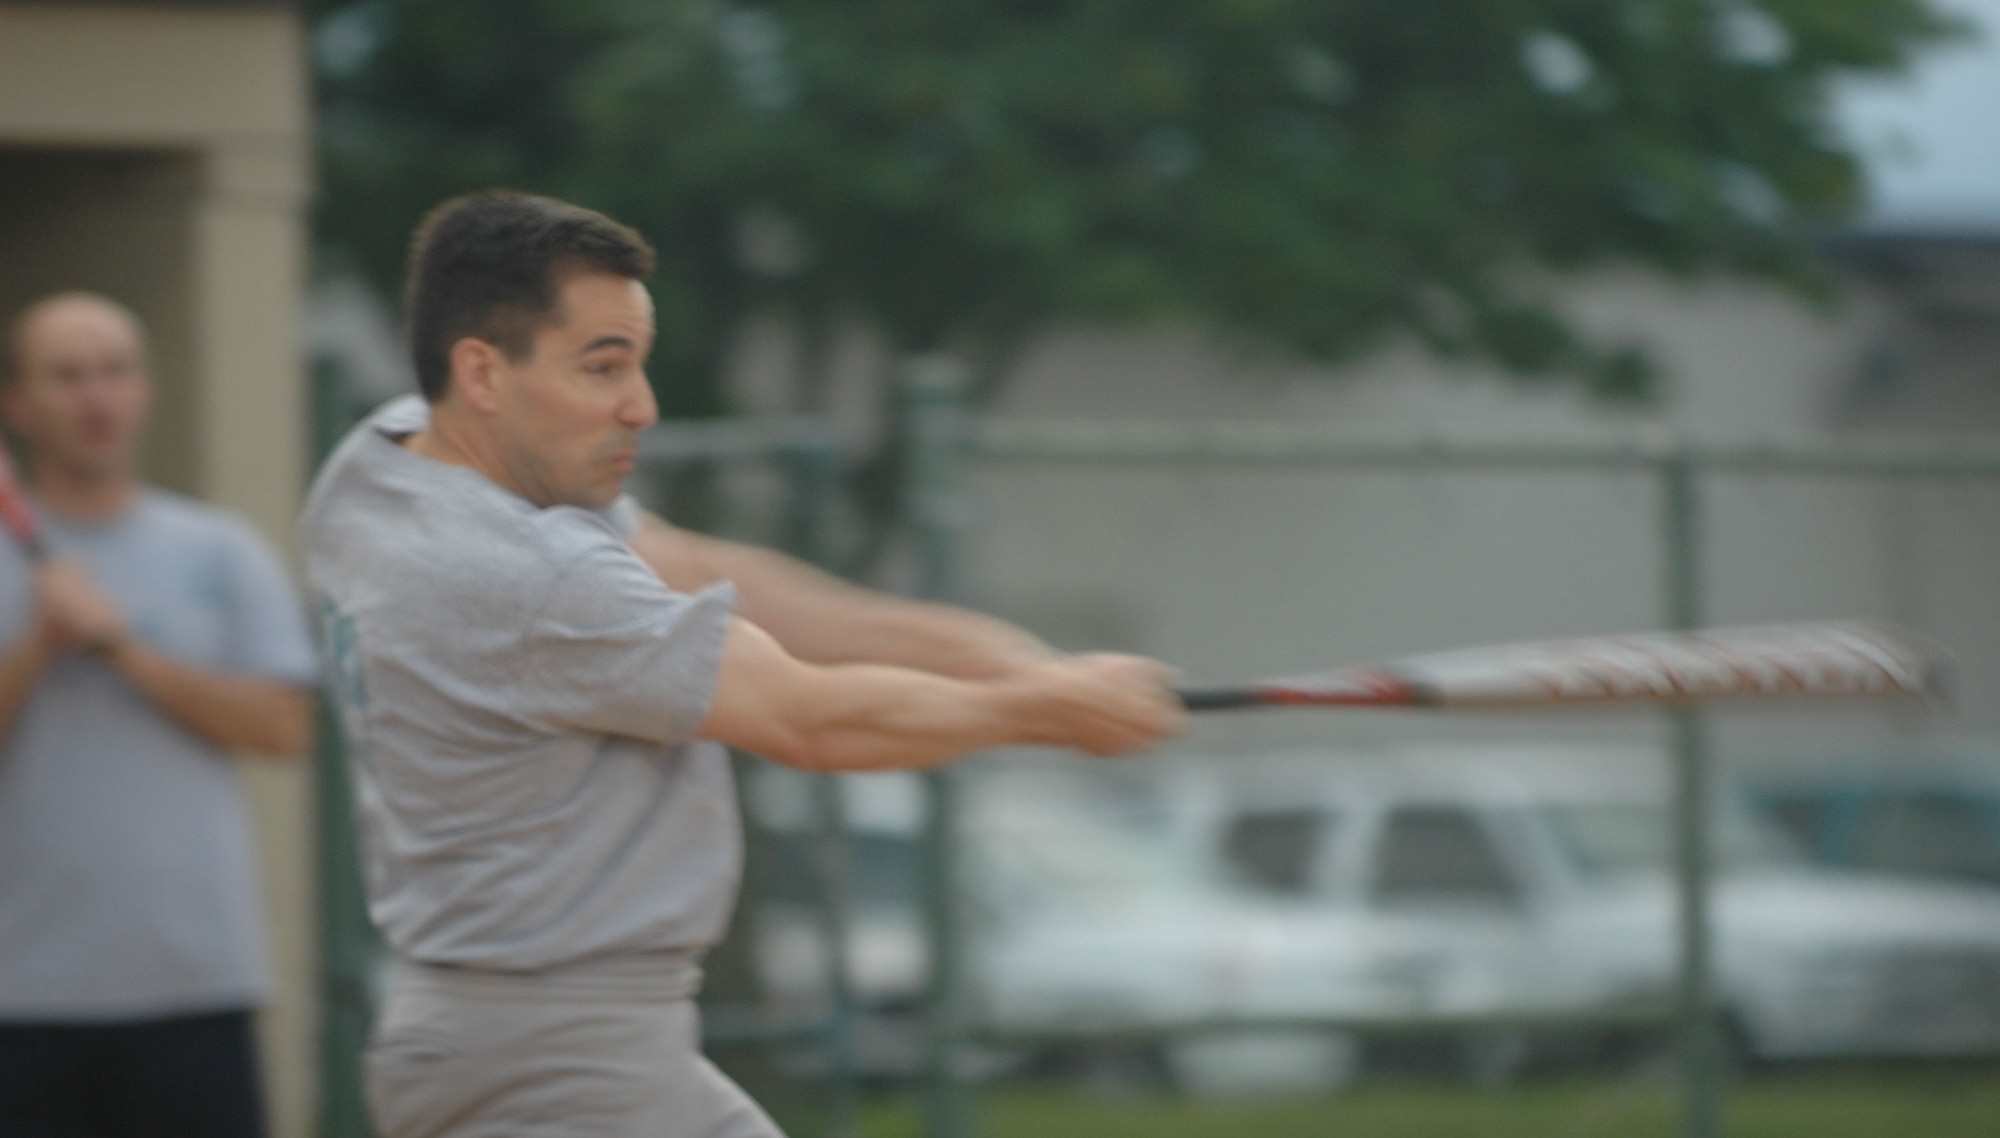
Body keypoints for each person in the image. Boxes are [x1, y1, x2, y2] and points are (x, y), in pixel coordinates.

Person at [302, 190, 1183, 1138]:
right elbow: (809, 720)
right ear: (480, 370)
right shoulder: (529, 574)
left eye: (636, 362)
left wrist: (1005, 661)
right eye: (602, 368)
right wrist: (1045, 714)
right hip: (562, 1063)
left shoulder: (384, 458)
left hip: (503, 1032)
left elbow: (707, 574)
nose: (640, 405)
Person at [0, 292, 319, 1137]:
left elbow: (281, 730)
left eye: (114, 372)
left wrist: (120, 649)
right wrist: (39, 641)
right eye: (67, 377)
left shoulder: (221, 550)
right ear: (18, 402)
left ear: (145, 390)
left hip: (196, 987)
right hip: (22, 998)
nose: (95, 397)